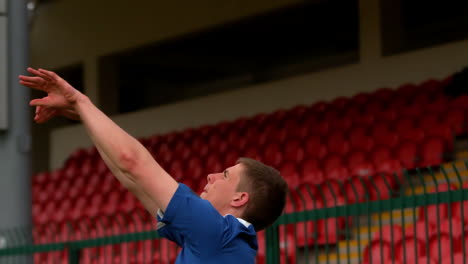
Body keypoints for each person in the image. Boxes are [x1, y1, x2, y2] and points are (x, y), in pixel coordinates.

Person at [19, 68, 288, 263]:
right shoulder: (219, 242)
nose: (212, 176)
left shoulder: (219, 233)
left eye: (226, 175)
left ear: (240, 198)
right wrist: (83, 115)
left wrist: (80, 100)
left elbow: (132, 162)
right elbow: (133, 180)